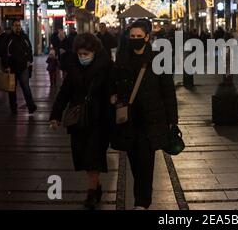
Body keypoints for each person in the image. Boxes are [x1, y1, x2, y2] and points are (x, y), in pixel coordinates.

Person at [110, 20, 178, 210]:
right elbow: (113, 82)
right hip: (129, 120)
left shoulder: (157, 59)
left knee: (146, 163)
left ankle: (142, 202)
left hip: (151, 120)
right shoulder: (123, 59)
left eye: (139, 37)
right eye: (132, 37)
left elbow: (168, 91)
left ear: (147, 37)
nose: (135, 40)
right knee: (135, 163)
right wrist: (113, 95)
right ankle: (140, 197)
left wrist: (172, 120)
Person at [49, 33, 113, 210]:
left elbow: (112, 91)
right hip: (78, 119)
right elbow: (64, 93)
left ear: (94, 51)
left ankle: (91, 193)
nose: (83, 57)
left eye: (86, 54)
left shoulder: (106, 67)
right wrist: (55, 115)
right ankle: (96, 185)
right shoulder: (74, 67)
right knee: (83, 156)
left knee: (93, 156)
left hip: (99, 119)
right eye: (80, 54)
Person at [0, 21, 37, 115]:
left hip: (23, 67)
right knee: (12, 89)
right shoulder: (8, 38)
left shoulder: (24, 37)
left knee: (26, 87)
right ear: (12, 27)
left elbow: (29, 49)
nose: (18, 27)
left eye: (19, 25)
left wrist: (29, 60)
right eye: (16, 26)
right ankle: (13, 107)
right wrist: (6, 66)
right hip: (12, 68)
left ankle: (31, 106)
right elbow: (4, 52)